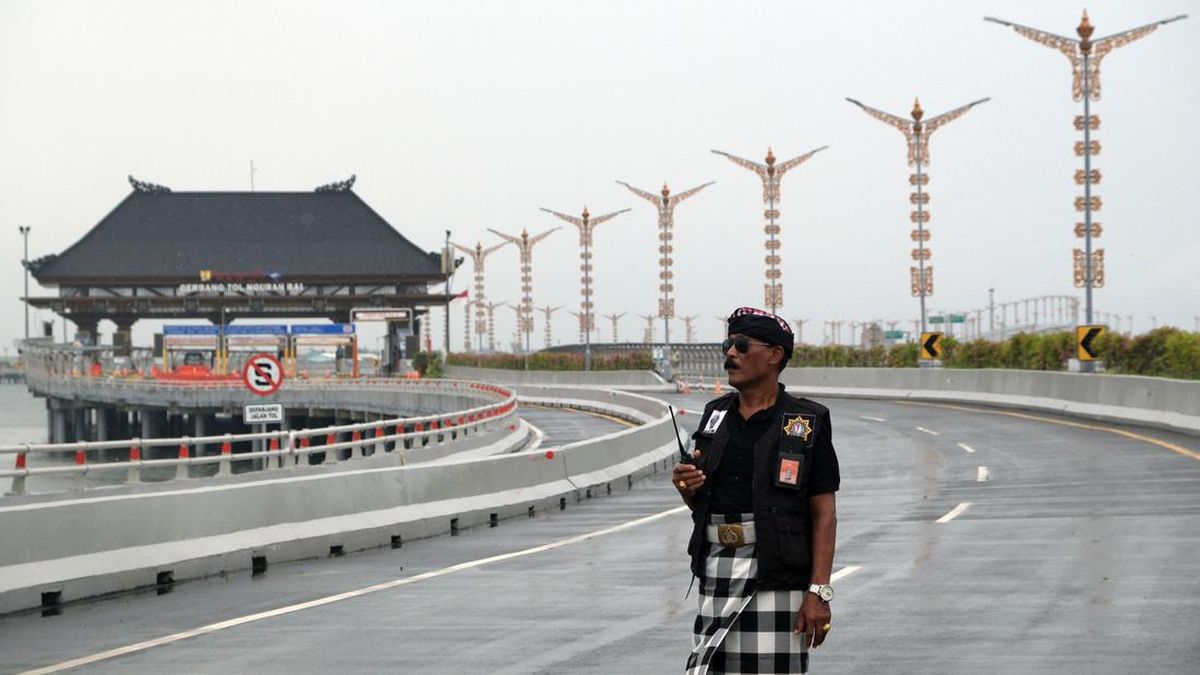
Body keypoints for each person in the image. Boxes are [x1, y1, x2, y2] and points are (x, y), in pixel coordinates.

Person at [675, 306, 840, 674]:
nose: (730, 353)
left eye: (742, 345)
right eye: (728, 345)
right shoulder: (714, 415)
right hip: (717, 571)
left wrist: (819, 592)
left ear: (775, 355)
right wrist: (687, 487)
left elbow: (824, 515)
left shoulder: (808, 421)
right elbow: (702, 501)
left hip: (777, 576)